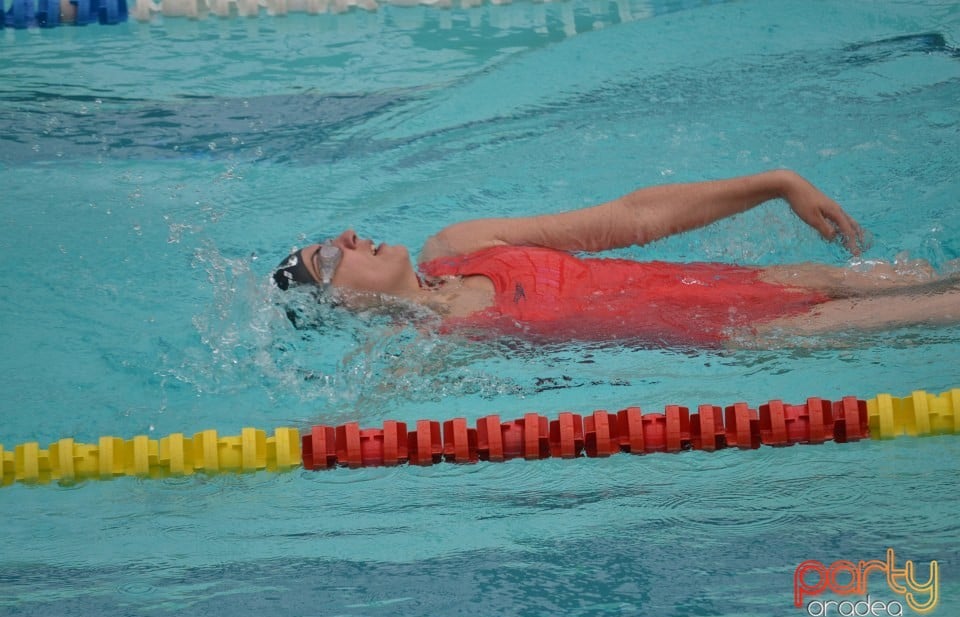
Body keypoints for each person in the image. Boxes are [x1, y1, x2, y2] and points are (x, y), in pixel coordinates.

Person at [272, 170, 960, 346]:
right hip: (748, 336)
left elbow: (628, 219)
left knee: (932, 283)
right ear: (343, 303)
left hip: (740, 283)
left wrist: (773, 185)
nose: (351, 236)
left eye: (337, 237)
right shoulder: (431, 345)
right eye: (331, 256)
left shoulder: (457, 246)